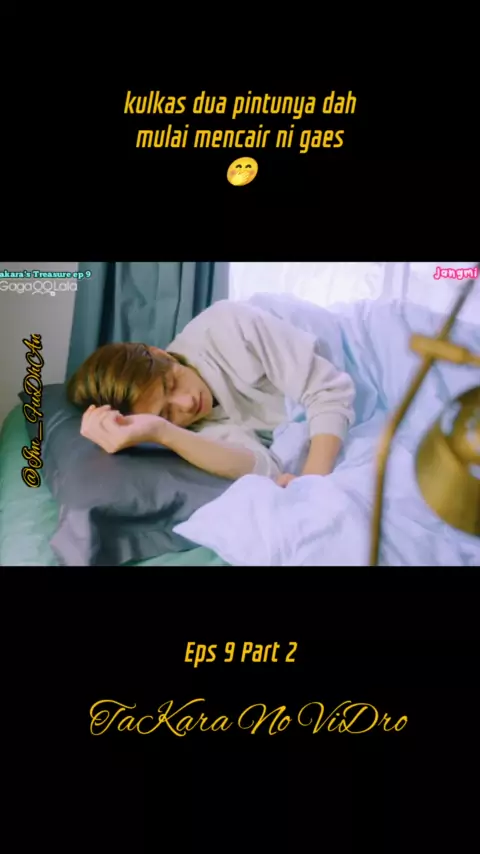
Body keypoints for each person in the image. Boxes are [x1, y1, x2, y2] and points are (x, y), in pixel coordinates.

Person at [67, 299, 356, 486]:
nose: (187, 403)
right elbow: (264, 468)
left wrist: (312, 483)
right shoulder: (192, 427)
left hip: (357, 349)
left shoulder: (227, 326)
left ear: (160, 353)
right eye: (166, 413)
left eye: (172, 383)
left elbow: (328, 391)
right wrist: (162, 432)